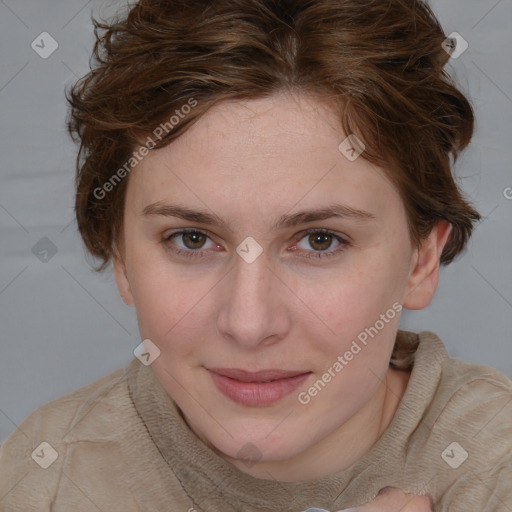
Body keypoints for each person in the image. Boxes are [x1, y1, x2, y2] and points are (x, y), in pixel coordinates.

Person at [0, 0, 510, 510]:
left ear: (419, 261)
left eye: (320, 240)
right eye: (192, 239)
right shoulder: (46, 478)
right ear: (122, 258)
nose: (249, 323)